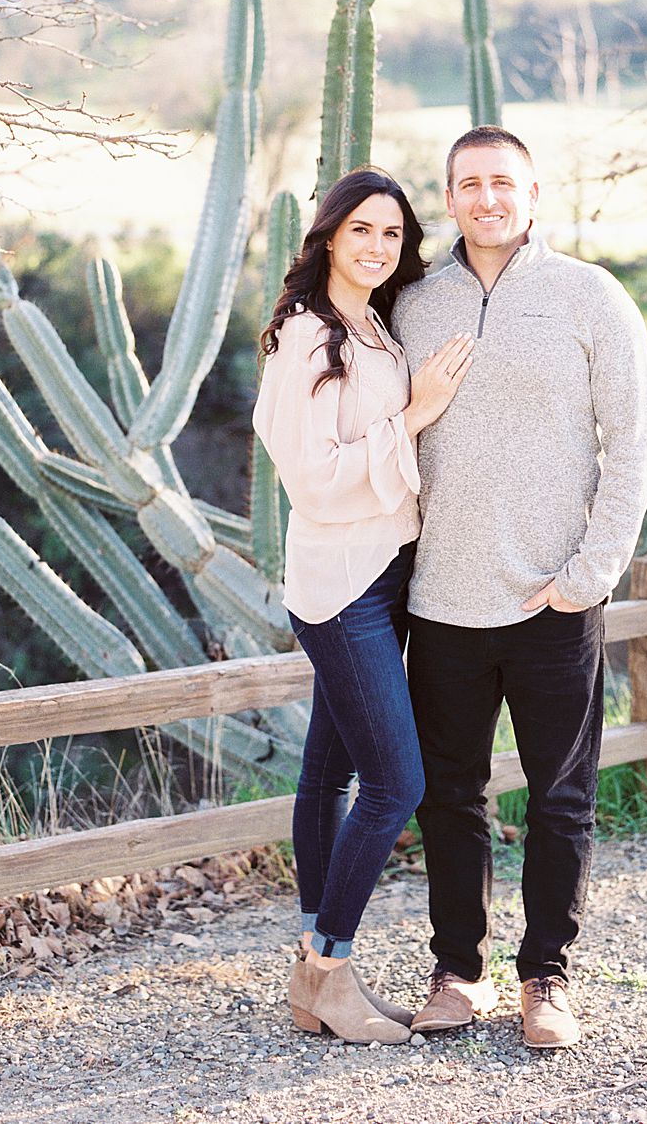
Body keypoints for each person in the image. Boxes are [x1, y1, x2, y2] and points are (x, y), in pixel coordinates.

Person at [393, 125, 647, 1049]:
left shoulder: (590, 297)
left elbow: (632, 445)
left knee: (560, 799)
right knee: (450, 797)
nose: (486, 199)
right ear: (451, 197)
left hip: (555, 601)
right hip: (443, 604)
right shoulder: (416, 304)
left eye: (503, 182)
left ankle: (546, 977)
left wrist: (589, 575)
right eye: (468, 184)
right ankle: (456, 973)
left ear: (534, 194)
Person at [255, 166, 475, 1045]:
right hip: (342, 587)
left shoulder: (371, 325)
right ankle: (331, 972)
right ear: (329, 237)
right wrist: (415, 418)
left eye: (393, 234)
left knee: (326, 776)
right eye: (363, 232)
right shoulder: (306, 339)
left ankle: (315, 972)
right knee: (397, 783)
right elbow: (313, 482)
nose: (380, 248)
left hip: (384, 574)